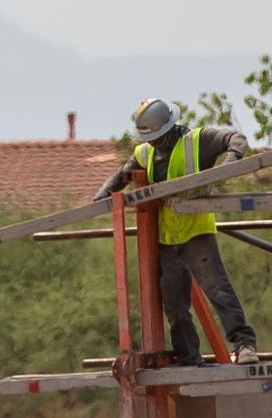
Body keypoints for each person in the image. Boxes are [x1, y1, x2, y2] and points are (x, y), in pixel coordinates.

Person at [94, 98, 259, 367]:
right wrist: (102, 197)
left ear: (169, 127)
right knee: (174, 305)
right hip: (167, 238)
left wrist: (228, 164)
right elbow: (123, 175)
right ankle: (189, 358)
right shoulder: (145, 153)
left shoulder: (198, 140)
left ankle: (244, 345)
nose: (156, 143)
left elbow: (236, 139)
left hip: (196, 233)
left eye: (158, 137)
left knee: (218, 290)